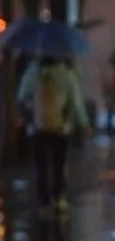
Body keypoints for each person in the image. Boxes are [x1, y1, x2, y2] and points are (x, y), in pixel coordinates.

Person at [18, 57, 90, 213]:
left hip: (38, 128)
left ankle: (43, 201)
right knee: (59, 164)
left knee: (41, 165)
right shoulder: (66, 74)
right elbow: (75, 102)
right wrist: (83, 123)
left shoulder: (32, 73)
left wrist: (29, 116)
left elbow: (22, 98)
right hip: (60, 127)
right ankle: (58, 198)